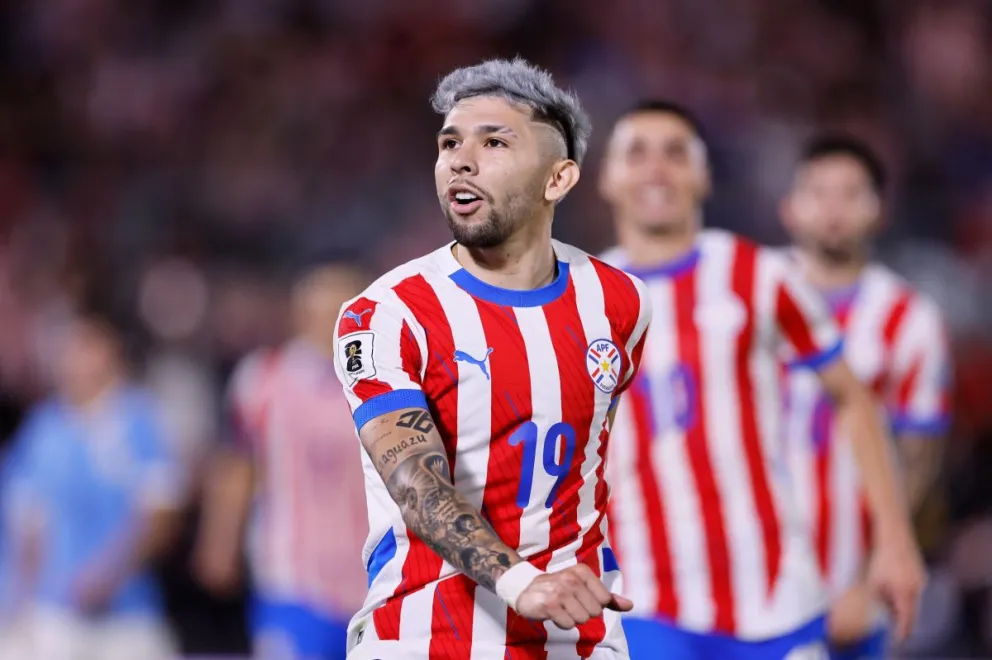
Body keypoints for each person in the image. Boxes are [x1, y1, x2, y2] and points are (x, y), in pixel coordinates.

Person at [334, 58, 652, 660]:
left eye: (494, 142)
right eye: (449, 142)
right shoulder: (384, 314)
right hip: (423, 637)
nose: (461, 159)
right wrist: (521, 582)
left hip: (576, 641)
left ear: (557, 180)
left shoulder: (619, 303)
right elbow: (415, 482)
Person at [597, 100, 925, 659]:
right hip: (645, 599)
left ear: (704, 176)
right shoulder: (580, 297)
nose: (656, 169)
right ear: (605, 178)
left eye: (676, 153)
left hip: (774, 595)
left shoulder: (758, 275)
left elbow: (854, 398)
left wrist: (895, 540)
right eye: (637, 153)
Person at [780, 135, 951, 660]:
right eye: (818, 192)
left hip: (849, 579)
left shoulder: (909, 319)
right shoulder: (747, 292)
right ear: (788, 206)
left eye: (851, 193)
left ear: (881, 211)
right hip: (743, 573)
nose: (833, 209)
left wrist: (875, 572)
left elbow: (916, 462)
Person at [194, 262, 371, 660]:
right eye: (321, 311)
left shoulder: (379, 381)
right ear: (299, 313)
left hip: (370, 580)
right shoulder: (263, 379)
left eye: (342, 310)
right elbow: (239, 464)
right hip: (290, 577)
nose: (330, 323)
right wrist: (220, 540)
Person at [0, 309, 181, 660]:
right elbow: (28, 525)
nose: (73, 359)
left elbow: (161, 517)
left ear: (111, 352)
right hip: (56, 616)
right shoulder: (42, 429)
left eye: (85, 347)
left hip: (128, 615)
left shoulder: (140, 422)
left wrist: (109, 574)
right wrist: (18, 602)